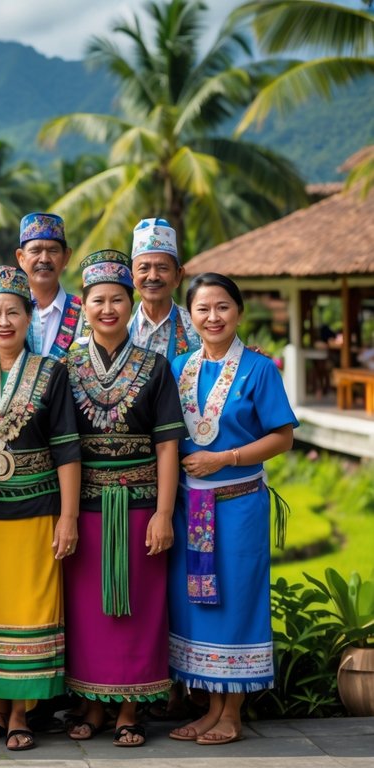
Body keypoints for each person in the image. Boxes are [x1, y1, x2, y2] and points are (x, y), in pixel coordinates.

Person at [62, 250, 185, 748]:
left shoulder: (154, 368)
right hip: (86, 508)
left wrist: (162, 512)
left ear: (128, 305)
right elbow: (61, 446)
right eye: (98, 301)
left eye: (117, 299)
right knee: (88, 609)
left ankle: (131, 707)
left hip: (139, 507)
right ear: (85, 307)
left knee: (139, 607)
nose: (107, 309)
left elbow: (168, 444)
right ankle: (91, 704)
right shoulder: (63, 368)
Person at [168, 273, 296, 746]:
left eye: (222, 307)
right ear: (191, 316)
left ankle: (232, 713)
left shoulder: (259, 370)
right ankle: (209, 707)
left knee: (239, 599)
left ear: (238, 311)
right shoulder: (179, 366)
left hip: (239, 506)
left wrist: (226, 458)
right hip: (191, 508)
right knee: (200, 601)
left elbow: (282, 436)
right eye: (202, 309)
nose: (213, 317)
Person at [0, 267, 80, 752]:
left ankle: (21, 713)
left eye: (13, 311)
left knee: (31, 607)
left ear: (30, 318)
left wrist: (68, 517)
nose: (3, 321)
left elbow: (68, 450)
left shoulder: (53, 372)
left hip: (36, 510)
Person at [129, 218, 201, 358]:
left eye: (162, 268)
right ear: (132, 278)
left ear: (178, 275)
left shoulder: (198, 327)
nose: (153, 276)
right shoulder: (121, 329)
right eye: (144, 268)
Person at [16, 213, 83, 359]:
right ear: (21, 258)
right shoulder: (8, 311)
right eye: (35, 251)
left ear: (66, 257)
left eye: (53, 250)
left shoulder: (84, 314)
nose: (44, 259)